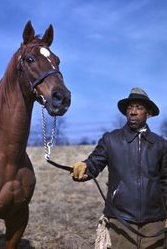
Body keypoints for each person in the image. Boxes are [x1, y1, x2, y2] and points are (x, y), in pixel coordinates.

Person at [71, 87, 167, 249]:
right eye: (130, 107)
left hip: (154, 224)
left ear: (148, 113)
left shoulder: (160, 144)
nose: (133, 112)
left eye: (139, 107)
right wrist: (84, 167)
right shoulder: (110, 140)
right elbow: (94, 163)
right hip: (120, 222)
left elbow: (165, 181)